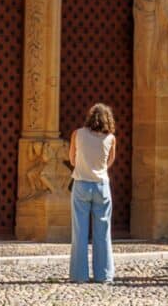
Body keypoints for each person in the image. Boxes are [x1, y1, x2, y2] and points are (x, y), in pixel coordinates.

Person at [69, 102, 117, 284]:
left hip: (81, 183)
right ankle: (104, 275)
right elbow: (109, 162)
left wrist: (84, 165)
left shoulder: (78, 134)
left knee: (80, 232)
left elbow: (72, 159)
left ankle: (79, 275)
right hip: (101, 185)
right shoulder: (111, 138)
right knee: (103, 232)